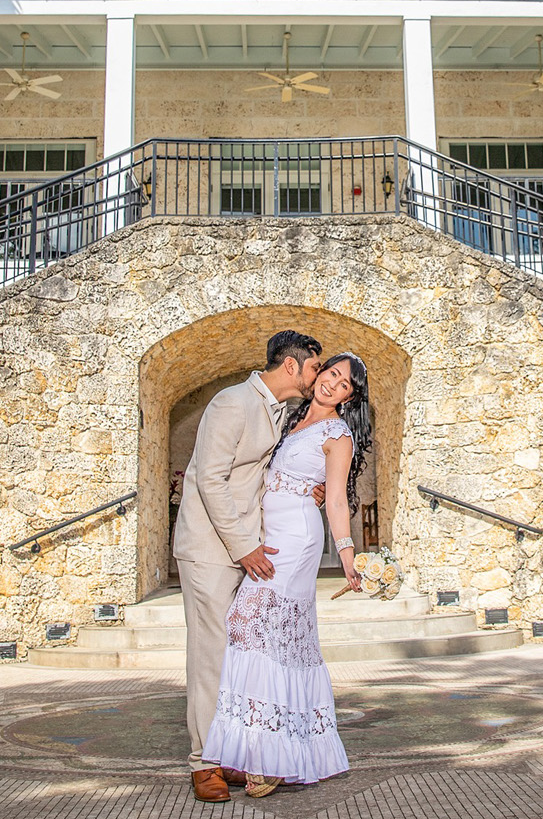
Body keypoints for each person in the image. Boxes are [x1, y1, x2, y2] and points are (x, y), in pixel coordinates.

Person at [201, 353, 374, 798]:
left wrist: (348, 554)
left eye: (345, 385)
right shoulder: (290, 420)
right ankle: (265, 745)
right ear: (319, 374)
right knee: (255, 632)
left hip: (294, 541)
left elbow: (334, 499)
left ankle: (272, 757)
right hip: (266, 532)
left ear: (351, 398)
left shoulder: (338, 433)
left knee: (263, 631)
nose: (333, 384)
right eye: (331, 373)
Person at [173, 330, 323, 803]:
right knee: (211, 655)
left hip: (248, 547)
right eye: (316, 367)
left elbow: (262, 475)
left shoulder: (279, 411)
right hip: (210, 548)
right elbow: (209, 480)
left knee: (239, 656)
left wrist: (307, 491)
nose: (319, 376)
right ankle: (204, 764)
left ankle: (229, 749)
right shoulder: (231, 402)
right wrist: (243, 547)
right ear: (293, 366)